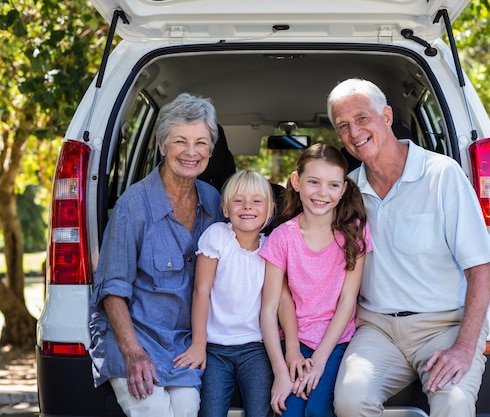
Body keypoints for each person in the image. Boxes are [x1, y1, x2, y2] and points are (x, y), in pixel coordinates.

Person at [327, 78, 490, 417]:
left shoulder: (442, 175)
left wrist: (464, 348)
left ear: (387, 117)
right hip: (377, 330)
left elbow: (482, 270)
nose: (354, 131)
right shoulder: (347, 192)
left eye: (362, 118)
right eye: (343, 125)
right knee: (350, 400)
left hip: (444, 326)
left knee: (453, 404)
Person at [88, 93, 225, 417]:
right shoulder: (132, 207)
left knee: (187, 408)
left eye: (201, 142)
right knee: (154, 411)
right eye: (180, 141)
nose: (191, 152)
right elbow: (112, 290)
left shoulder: (214, 201)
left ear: (211, 149)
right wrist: (133, 353)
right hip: (136, 339)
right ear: (162, 146)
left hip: (183, 346)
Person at [259, 143, 371, 417]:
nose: (323, 193)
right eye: (313, 182)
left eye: (333, 185)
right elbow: (269, 308)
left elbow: (347, 301)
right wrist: (283, 368)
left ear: (343, 189)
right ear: (296, 182)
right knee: (288, 409)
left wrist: (319, 360)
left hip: (336, 343)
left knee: (319, 410)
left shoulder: (353, 235)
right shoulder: (282, 238)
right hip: (294, 343)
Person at [175, 170, 275, 417]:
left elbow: (279, 301)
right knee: (210, 411)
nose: (247, 207)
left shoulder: (272, 246)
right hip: (215, 349)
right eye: (238, 200)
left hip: (255, 349)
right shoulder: (218, 235)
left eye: (257, 201)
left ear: (270, 210)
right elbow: (201, 290)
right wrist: (199, 344)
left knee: (261, 412)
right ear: (226, 209)